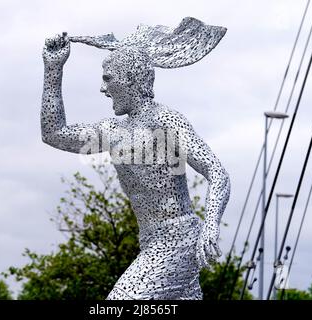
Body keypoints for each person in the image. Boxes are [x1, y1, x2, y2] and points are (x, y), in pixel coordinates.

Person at [41, 25, 230, 300]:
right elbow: (54, 134)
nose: (103, 88)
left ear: (129, 79)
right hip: (151, 241)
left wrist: (211, 224)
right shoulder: (111, 131)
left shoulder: (165, 121)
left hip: (177, 240)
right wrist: (53, 70)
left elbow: (217, 172)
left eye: (108, 79)